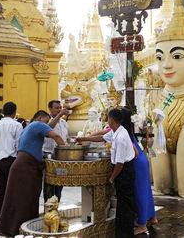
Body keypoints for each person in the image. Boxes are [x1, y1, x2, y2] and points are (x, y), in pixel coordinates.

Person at [0, 110, 65, 236]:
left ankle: (11, 229)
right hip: (25, 167)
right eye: (46, 121)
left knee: (19, 199)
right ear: (40, 118)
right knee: (23, 201)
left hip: (22, 166)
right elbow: (56, 136)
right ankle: (18, 230)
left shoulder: (29, 128)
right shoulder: (37, 125)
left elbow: (42, 135)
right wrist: (66, 151)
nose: (47, 124)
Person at [76, 109, 136, 237]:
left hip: (124, 171)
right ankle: (121, 232)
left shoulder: (121, 137)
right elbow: (101, 138)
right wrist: (84, 138)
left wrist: (112, 178)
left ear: (111, 120)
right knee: (122, 203)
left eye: (107, 118)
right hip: (122, 169)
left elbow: (120, 163)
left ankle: (126, 234)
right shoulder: (116, 131)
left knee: (126, 205)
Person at [119, 109, 157, 235]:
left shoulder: (123, 132)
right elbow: (104, 133)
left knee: (139, 194)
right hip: (143, 162)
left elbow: (134, 152)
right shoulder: (127, 130)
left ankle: (141, 225)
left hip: (137, 164)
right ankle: (152, 218)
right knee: (146, 191)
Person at [0, 102, 23, 218]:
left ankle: (0, 214)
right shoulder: (17, 125)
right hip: (13, 161)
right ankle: (12, 214)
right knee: (14, 189)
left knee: (1, 189)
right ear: (14, 112)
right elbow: (19, 147)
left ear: (2, 112)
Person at [42, 100, 69, 202]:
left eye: (60, 108)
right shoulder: (46, 120)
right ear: (50, 109)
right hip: (49, 155)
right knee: (49, 183)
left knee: (59, 182)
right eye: (56, 108)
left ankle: (56, 205)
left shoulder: (64, 123)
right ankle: (48, 207)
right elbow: (49, 128)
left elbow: (64, 139)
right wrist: (59, 115)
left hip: (61, 156)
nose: (59, 110)